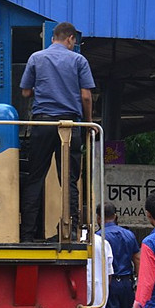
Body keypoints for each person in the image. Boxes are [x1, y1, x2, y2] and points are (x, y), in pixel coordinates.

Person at [18, 22, 95, 242]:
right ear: (70, 39)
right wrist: (87, 123)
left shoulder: (36, 58)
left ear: (53, 38)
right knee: (69, 179)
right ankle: (70, 229)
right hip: (70, 126)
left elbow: (24, 92)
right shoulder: (79, 60)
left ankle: (27, 234)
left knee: (35, 177)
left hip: (42, 124)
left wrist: (42, 89)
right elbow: (86, 96)